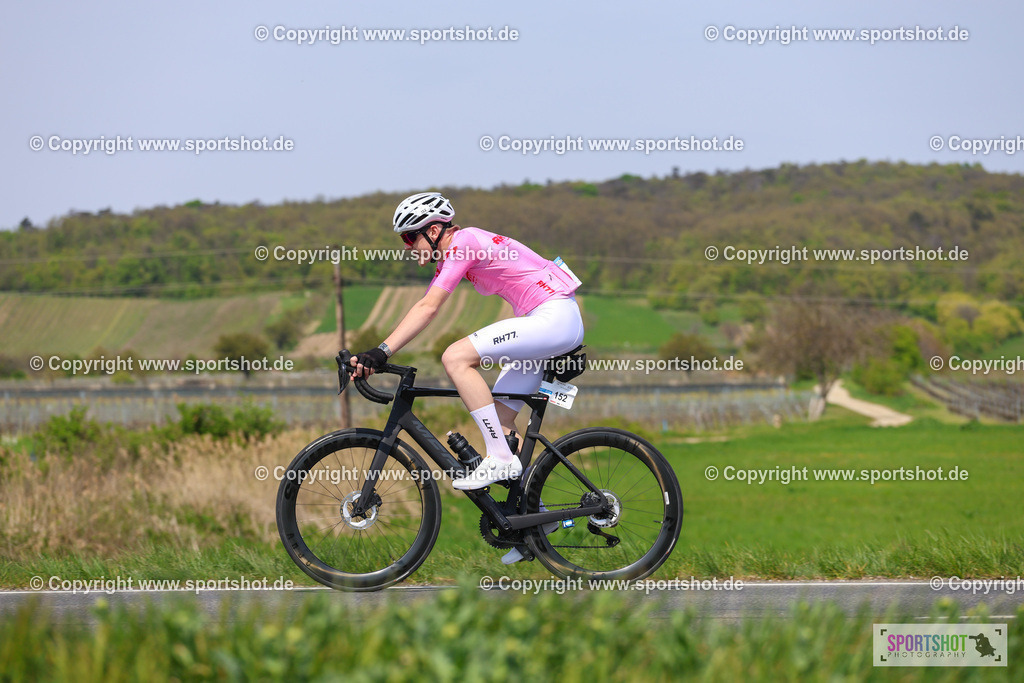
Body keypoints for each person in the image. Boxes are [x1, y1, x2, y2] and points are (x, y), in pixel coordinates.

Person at [348, 191, 584, 492]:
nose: (407, 247)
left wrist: (381, 352)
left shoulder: (464, 243)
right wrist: (379, 353)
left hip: (553, 318)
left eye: (409, 238)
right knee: (500, 423)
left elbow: (428, 308)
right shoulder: (455, 251)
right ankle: (533, 520)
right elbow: (424, 307)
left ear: (433, 231)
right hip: (546, 322)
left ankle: (499, 457)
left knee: (455, 357)